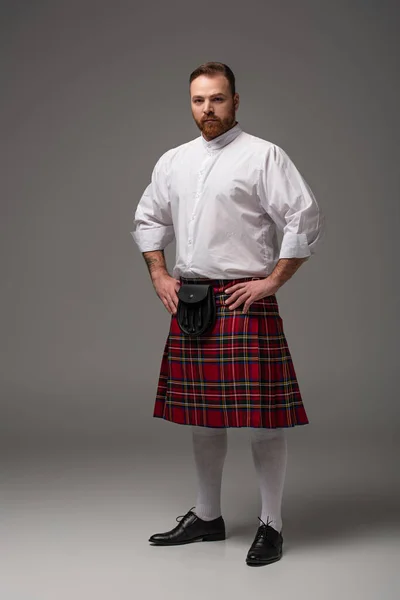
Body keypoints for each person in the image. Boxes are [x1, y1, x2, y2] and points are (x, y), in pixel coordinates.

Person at [131, 62, 325, 566]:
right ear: (190, 103)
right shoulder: (173, 160)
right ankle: (208, 516)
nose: (207, 109)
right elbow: (149, 217)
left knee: (263, 418)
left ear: (236, 101)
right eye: (198, 100)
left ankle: (271, 524)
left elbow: (303, 217)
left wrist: (273, 281)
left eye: (217, 99)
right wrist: (158, 273)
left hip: (244, 298)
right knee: (203, 417)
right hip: (192, 298)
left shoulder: (264, 156)